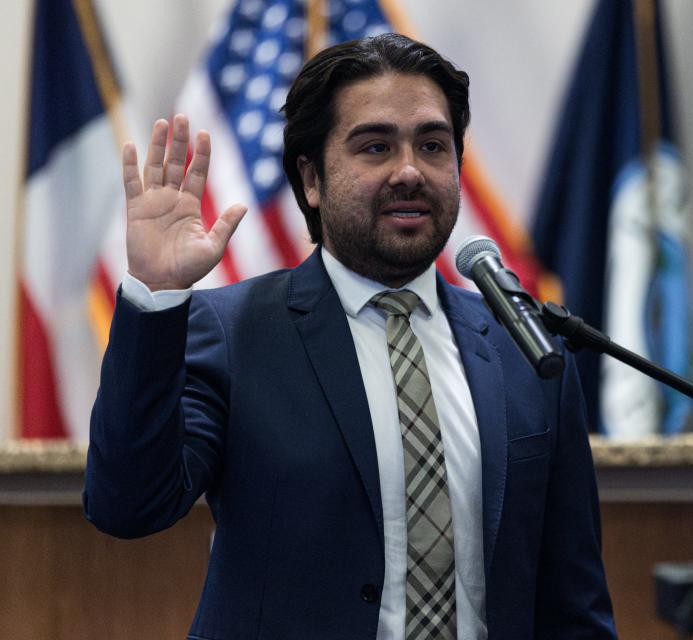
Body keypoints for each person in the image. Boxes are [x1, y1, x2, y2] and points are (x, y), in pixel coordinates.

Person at [84, 34, 616, 640]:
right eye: (375, 147)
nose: (410, 170)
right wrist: (156, 294)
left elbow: (574, 604)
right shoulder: (235, 332)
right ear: (311, 179)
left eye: (433, 145)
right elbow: (127, 505)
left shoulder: (526, 348)